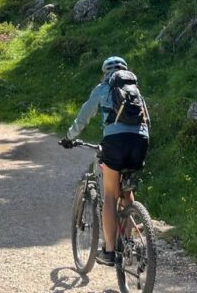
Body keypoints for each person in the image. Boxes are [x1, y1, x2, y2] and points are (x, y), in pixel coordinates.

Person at [62, 55, 149, 266]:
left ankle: (109, 251)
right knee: (125, 192)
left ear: (105, 72)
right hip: (140, 142)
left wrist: (69, 137)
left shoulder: (102, 88)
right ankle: (127, 240)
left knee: (110, 195)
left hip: (115, 142)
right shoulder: (136, 92)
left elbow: (83, 117)